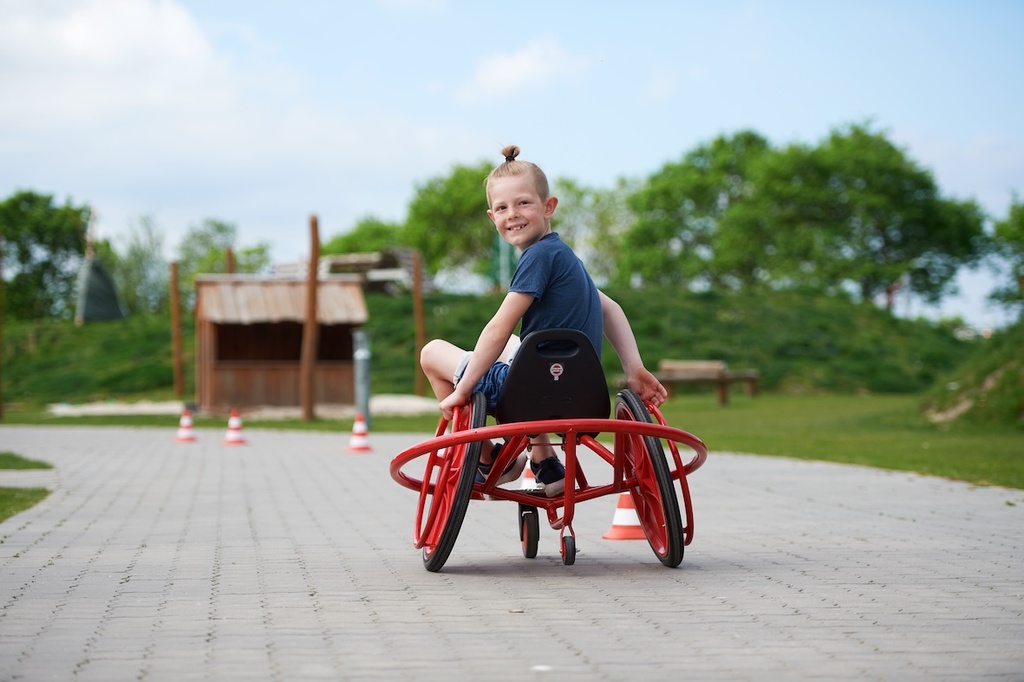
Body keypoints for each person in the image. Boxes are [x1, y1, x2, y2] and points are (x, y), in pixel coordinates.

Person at [420, 145, 668, 497]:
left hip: (527, 395)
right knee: (515, 349)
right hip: (582, 393)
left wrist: (462, 391)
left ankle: (491, 459)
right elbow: (610, 309)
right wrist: (634, 368)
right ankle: (545, 460)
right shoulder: (567, 259)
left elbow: (498, 327)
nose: (513, 214)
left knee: (432, 353)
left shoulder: (536, 258)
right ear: (493, 218)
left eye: (523, 203)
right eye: (503, 208)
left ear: (547, 207)